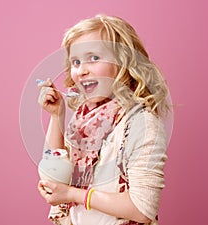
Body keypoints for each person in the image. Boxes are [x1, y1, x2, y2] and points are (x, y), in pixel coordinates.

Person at [37, 14, 171, 225]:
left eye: (94, 58)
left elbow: (142, 208)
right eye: (76, 61)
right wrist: (57, 116)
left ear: (124, 62)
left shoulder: (141, 123)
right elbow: (56, 175)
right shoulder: (84, 118)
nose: (82, 70)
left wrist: (74, 195)